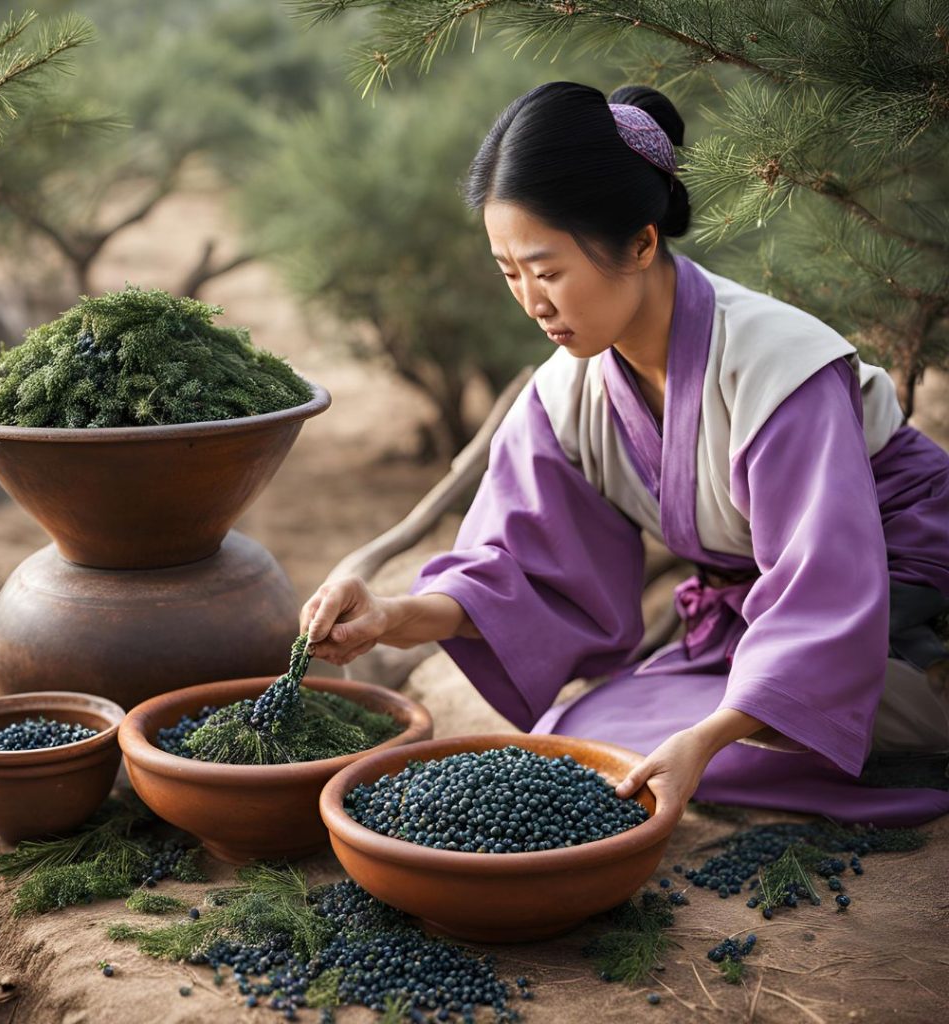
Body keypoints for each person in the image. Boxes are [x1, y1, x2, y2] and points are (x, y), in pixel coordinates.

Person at [301, 82, 949, 829]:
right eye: (509, 273)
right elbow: (520, 573)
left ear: (641, 243)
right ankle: (770, 714)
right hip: (763, 624)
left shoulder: (777, 369)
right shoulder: (567, 394)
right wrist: (389, 614)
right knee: (582, 744)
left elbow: (825, 582)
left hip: (884, 602)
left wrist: (706, 740)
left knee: (712, 751)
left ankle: (913, 704)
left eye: (547, 272)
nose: (532, 303)